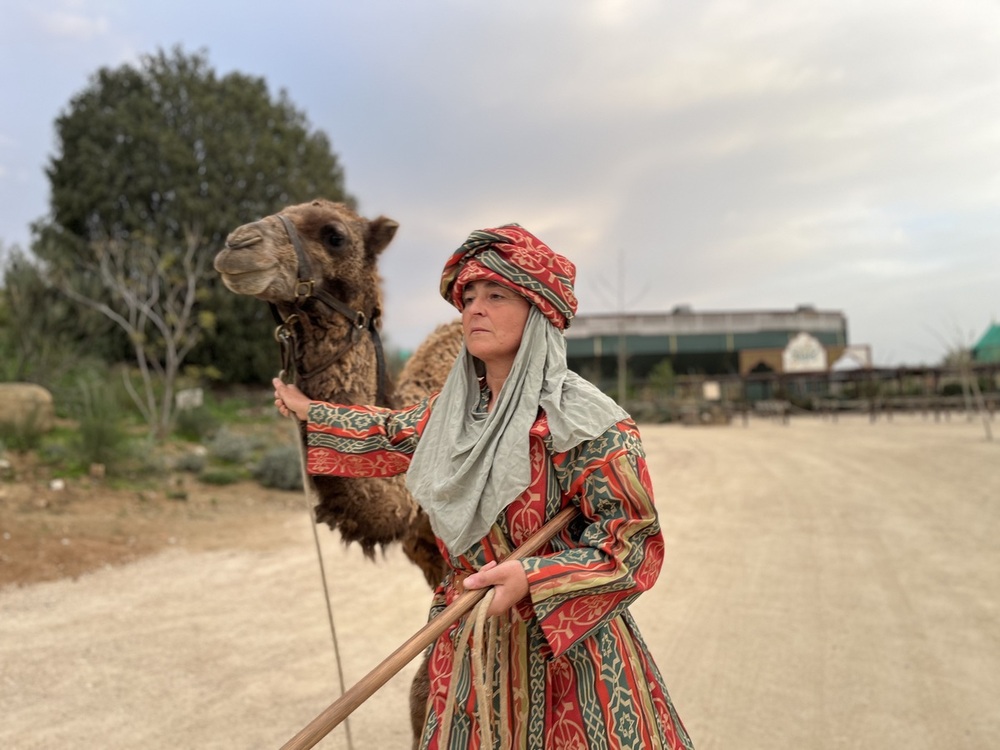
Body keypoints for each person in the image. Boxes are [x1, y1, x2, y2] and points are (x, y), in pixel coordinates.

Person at [273, 224, 694, 750]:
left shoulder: (591, 427)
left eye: (495, 295)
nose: (474, 308)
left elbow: (633, 547)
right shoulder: (452, 417)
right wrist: (314, 412)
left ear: (539, 312)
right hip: (469, 644)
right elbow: (392, 433)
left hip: (567, 657)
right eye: (468, 297)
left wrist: (532, 577)